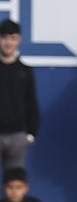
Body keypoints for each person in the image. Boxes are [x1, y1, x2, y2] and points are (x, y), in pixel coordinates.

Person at [0, 18, 39, 171]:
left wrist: (30, 135)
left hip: (18, 136)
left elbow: (31, 103)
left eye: (13, 38)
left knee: (14, 185)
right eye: (4, 38)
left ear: (19, 40)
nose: (8, 43)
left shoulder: (25, 71)